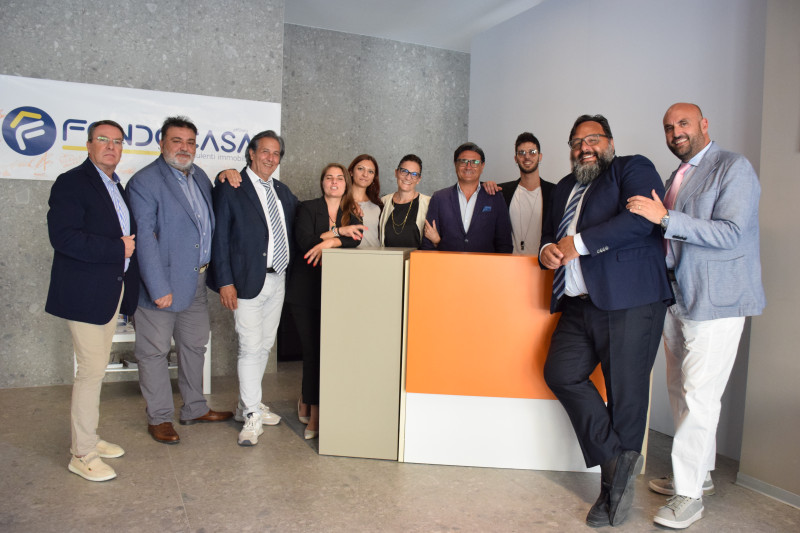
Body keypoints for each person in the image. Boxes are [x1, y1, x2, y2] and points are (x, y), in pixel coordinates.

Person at [627, 103, 765, 530]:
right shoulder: (677, 176)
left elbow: (731, 232)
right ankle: (698, 474)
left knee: (701, 395)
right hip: (676, 297)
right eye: (669, 128)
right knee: (681, 390)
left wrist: (666, 217)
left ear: (704, 125)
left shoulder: (733, 167)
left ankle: (688, 496)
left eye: (683, 124)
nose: (675, 133)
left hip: (717, 300)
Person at [539, 114, 673, 527]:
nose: (584, 147)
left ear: (610, 142)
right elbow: (550, 236)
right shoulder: (564, 187)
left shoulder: (631, 169)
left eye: (593, 139)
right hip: (578, 304)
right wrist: (547, 251)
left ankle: (612, 497)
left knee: (625, 397)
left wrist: (577, 244)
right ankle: (617, 459)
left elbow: (641, 220)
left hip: (630, 301)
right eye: (577, 142)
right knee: (560, 373)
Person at [127, 116, 233, 445]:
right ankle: (160, 418)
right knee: (154, 352)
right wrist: (158, 288)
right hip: (162, 285)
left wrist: (226, 174)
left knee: (194, 346)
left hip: (197, 281)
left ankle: (194, 408)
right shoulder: (145, 182)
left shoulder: (198, 175)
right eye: (177, 141)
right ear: (162, 143)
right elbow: (144, 239)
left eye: (190, 142)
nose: (184, 148)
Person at [45, 120, 139, 481]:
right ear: (88, 145)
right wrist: (117, 248)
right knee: (90, 370)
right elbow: (64, 238)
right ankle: (81, 454)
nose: (111, 147)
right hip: (84, 291)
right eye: (103, 140)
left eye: (117, 141)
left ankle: (89, 436)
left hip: (110, 290)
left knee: (96, 369)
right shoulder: (71, 182)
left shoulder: (116, 185)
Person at [211, 130, 298, 446]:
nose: (271, 158)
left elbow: (303, 223)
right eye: (265, 151)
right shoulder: (231, 186)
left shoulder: (282, 192)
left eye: (276, 154)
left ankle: (247, 404)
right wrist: (225, 281)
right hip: (246, 281)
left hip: (278, 280)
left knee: (263, 346)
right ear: (251, 153)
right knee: (249, 347)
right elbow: (220, 237)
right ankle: (251, 414)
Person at [286, 164, 365, 440]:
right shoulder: (307, 208)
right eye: (329, 177)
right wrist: (339, 233)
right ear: (322, 182)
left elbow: (357, 240)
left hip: (337, 294)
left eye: (339, 178)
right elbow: (304, 241)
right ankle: (315, 413)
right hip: (305, 291)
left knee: (328, 353)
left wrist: (328, 242)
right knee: (312, 352)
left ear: (346, 183)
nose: (334, 182)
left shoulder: (352, 211)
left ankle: (308, 399)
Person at [421, 142, 512, 253]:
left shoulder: (495, 198)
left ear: (482, 166)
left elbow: (504, 244)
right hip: (447, 263)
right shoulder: (439, 198)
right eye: (463, 161)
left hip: (485, 264)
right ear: (455, 164)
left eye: (475, 162)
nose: (468, 167)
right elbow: (428, 245)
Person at [482, 132, 555, 254]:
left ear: (540, 156)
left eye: (532, 152)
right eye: (521, 153)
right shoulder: (502, 192)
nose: (527, 157)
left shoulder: (554, 192)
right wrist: (485, 186)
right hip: (509, 263)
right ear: (516, 158)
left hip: (542, 263)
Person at [378, 154, 431, 248]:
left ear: (419, 179)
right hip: (386, 257)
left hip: (416, 257)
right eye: (404, 171)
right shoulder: (383, 202)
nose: (408, 177)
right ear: (396, 173)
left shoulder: (428, 203)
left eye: (414, 174)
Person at [348, 154, 383, 247]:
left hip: (375, 255)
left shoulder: (379, 205)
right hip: (345, 255)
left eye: (370, 171)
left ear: (374, 177)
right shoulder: (340, 202)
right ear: (351, 172)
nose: (365, 174)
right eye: (360, 169)